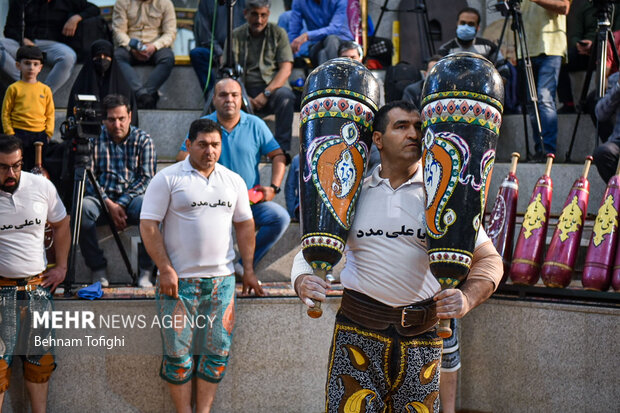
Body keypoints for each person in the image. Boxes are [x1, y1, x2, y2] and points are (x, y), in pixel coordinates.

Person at [291, 101, 503, 412]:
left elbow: (490, 261)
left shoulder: (444, 192)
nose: (414, 134)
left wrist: (468, 298)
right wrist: (301, 280)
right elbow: (310, 253)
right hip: (357, 332)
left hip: (423, 338)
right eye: (401, 126)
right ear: (377, 139)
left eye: (418, 127)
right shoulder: (351, 191)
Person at [140, 118, 264, 413]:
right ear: (188, 145)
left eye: (215, 145)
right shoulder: (168, 178)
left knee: (217, 352)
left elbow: (245, 226)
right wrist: (165, 268)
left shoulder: (233, 180)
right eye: (203, 144)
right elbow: (148, 226)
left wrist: (248, 269)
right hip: (178, 284)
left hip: (222, 282)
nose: (210, 150)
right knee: (177, 355)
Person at [175, 78, 290, 272]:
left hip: (249, 202)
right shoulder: (204, 125)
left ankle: (245, 266)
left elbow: (278, 155)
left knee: (279, 217)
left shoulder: (255, 124)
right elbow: (181, 158)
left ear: (242, 99)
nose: (229, 99)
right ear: (213, 99)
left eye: (234, 95)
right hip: (211, 203)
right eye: (223, 95)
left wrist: (273, 188)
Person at [0, 134, 70, 413]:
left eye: (16, 165)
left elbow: (62, 224)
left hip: (37, 287)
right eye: (3, 167)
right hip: (1, 288)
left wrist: (62, 267)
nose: (11, 173)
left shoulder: (41, 186)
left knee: (39, 362)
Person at [79, 94, 156, 287]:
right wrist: (109, 204)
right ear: (104, 120)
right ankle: (98, 268)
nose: (117, 124)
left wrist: (120, 203)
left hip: (132, 200)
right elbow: (89, 178)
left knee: (151, 208)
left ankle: (146, 271)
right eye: (111, 119)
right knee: (82, 208)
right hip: (101, 200)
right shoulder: (93, 140)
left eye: (121, 118)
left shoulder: (144, 140)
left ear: (129, 116)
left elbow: (147, 178)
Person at [230, 0, 296, 152]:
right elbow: (229, 71)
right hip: (244, 88)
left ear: (268, 15)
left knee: (286, 97)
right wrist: (244, 97)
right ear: (245, 14)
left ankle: (281, 149)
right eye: (254, 15)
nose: (259, 20)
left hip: (272, 89)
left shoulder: (278, 33)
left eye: (263, 15)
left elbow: (286, 68)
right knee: (224, 97)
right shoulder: (235, 35)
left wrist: (266, 93)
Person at [0, 0, 100, 92]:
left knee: (68, 57)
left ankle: (42, 94)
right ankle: (26, 84)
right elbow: (9, 29)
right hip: (24, 43)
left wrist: (76, 18)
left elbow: (94, 9)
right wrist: (23, 39)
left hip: (52, 45)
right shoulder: (22, 2)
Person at [521, 0, 571, 157]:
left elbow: (564, 7)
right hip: (526, 47)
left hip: (551, 48)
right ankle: (539, 149)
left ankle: (548, 150)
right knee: (531, 103)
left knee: (544, 97)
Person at [112, 0, 177, 109]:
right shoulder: (122, 2)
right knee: (117, 56)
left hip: (155, 46)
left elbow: (170, 33)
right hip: (130, 45)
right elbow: (118, 31)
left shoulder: (165, 3)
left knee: (168, 57)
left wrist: (154, 46)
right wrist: (132, 47)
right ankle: (143, 94)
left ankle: (144, 94)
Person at [557, 1, 620, 113]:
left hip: (610, 47)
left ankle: (600, 101)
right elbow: (574, 34)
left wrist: (596, 46)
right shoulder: (582, 4)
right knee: (560, 59)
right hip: (585, 50)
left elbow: (617, 34)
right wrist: (578, 44)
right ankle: (568, 103)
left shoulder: (615, 5)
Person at [1, 46, 54, 172]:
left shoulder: (45, 90)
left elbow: (50, 113)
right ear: (18, 66)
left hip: (40, 134)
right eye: (27, 63)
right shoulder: (14, 88)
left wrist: (49, 133)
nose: (31, 68)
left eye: (35, 64)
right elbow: (5, 113)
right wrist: (10, 133)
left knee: (38, 167)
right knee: (20, 166)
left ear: (40, 68)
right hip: (19, 133)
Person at [67, 39, 139, 127]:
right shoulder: (81, 85)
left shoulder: (123, 87)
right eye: (98, 56)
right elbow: (72, 113)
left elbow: (131, 117)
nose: (102, 59)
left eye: (106, 56)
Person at [190, 0, 246, 98]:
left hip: (240, 52)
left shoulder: (245, 2)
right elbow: (205, 34)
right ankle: (214, 95)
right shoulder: (207, 2)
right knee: (197, 54)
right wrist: (220, 53)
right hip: (215, 52)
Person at [437, 7, 510, 81]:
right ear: (457, 24)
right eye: (463, 23)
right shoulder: (446, 49)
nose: (466, 27)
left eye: (471, 24)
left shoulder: (488, 47)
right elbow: (439, 73)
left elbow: (503, 70)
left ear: (477, 27)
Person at [288, 0, 353, 66]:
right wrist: (292, 55)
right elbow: (294, 30)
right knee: (324, 50)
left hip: (343, 43)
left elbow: (334, 28)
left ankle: (332, 74)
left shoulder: (339, 1)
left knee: (327, 47)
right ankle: (337, 73)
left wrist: (308, 35)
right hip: (317, 45)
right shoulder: (299, 2)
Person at [592, 72, 620, 183]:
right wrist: (618, 88)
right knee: (602, 153)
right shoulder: (615, 79)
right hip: (618, 141)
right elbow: (600, 114)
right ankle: (616, 192)